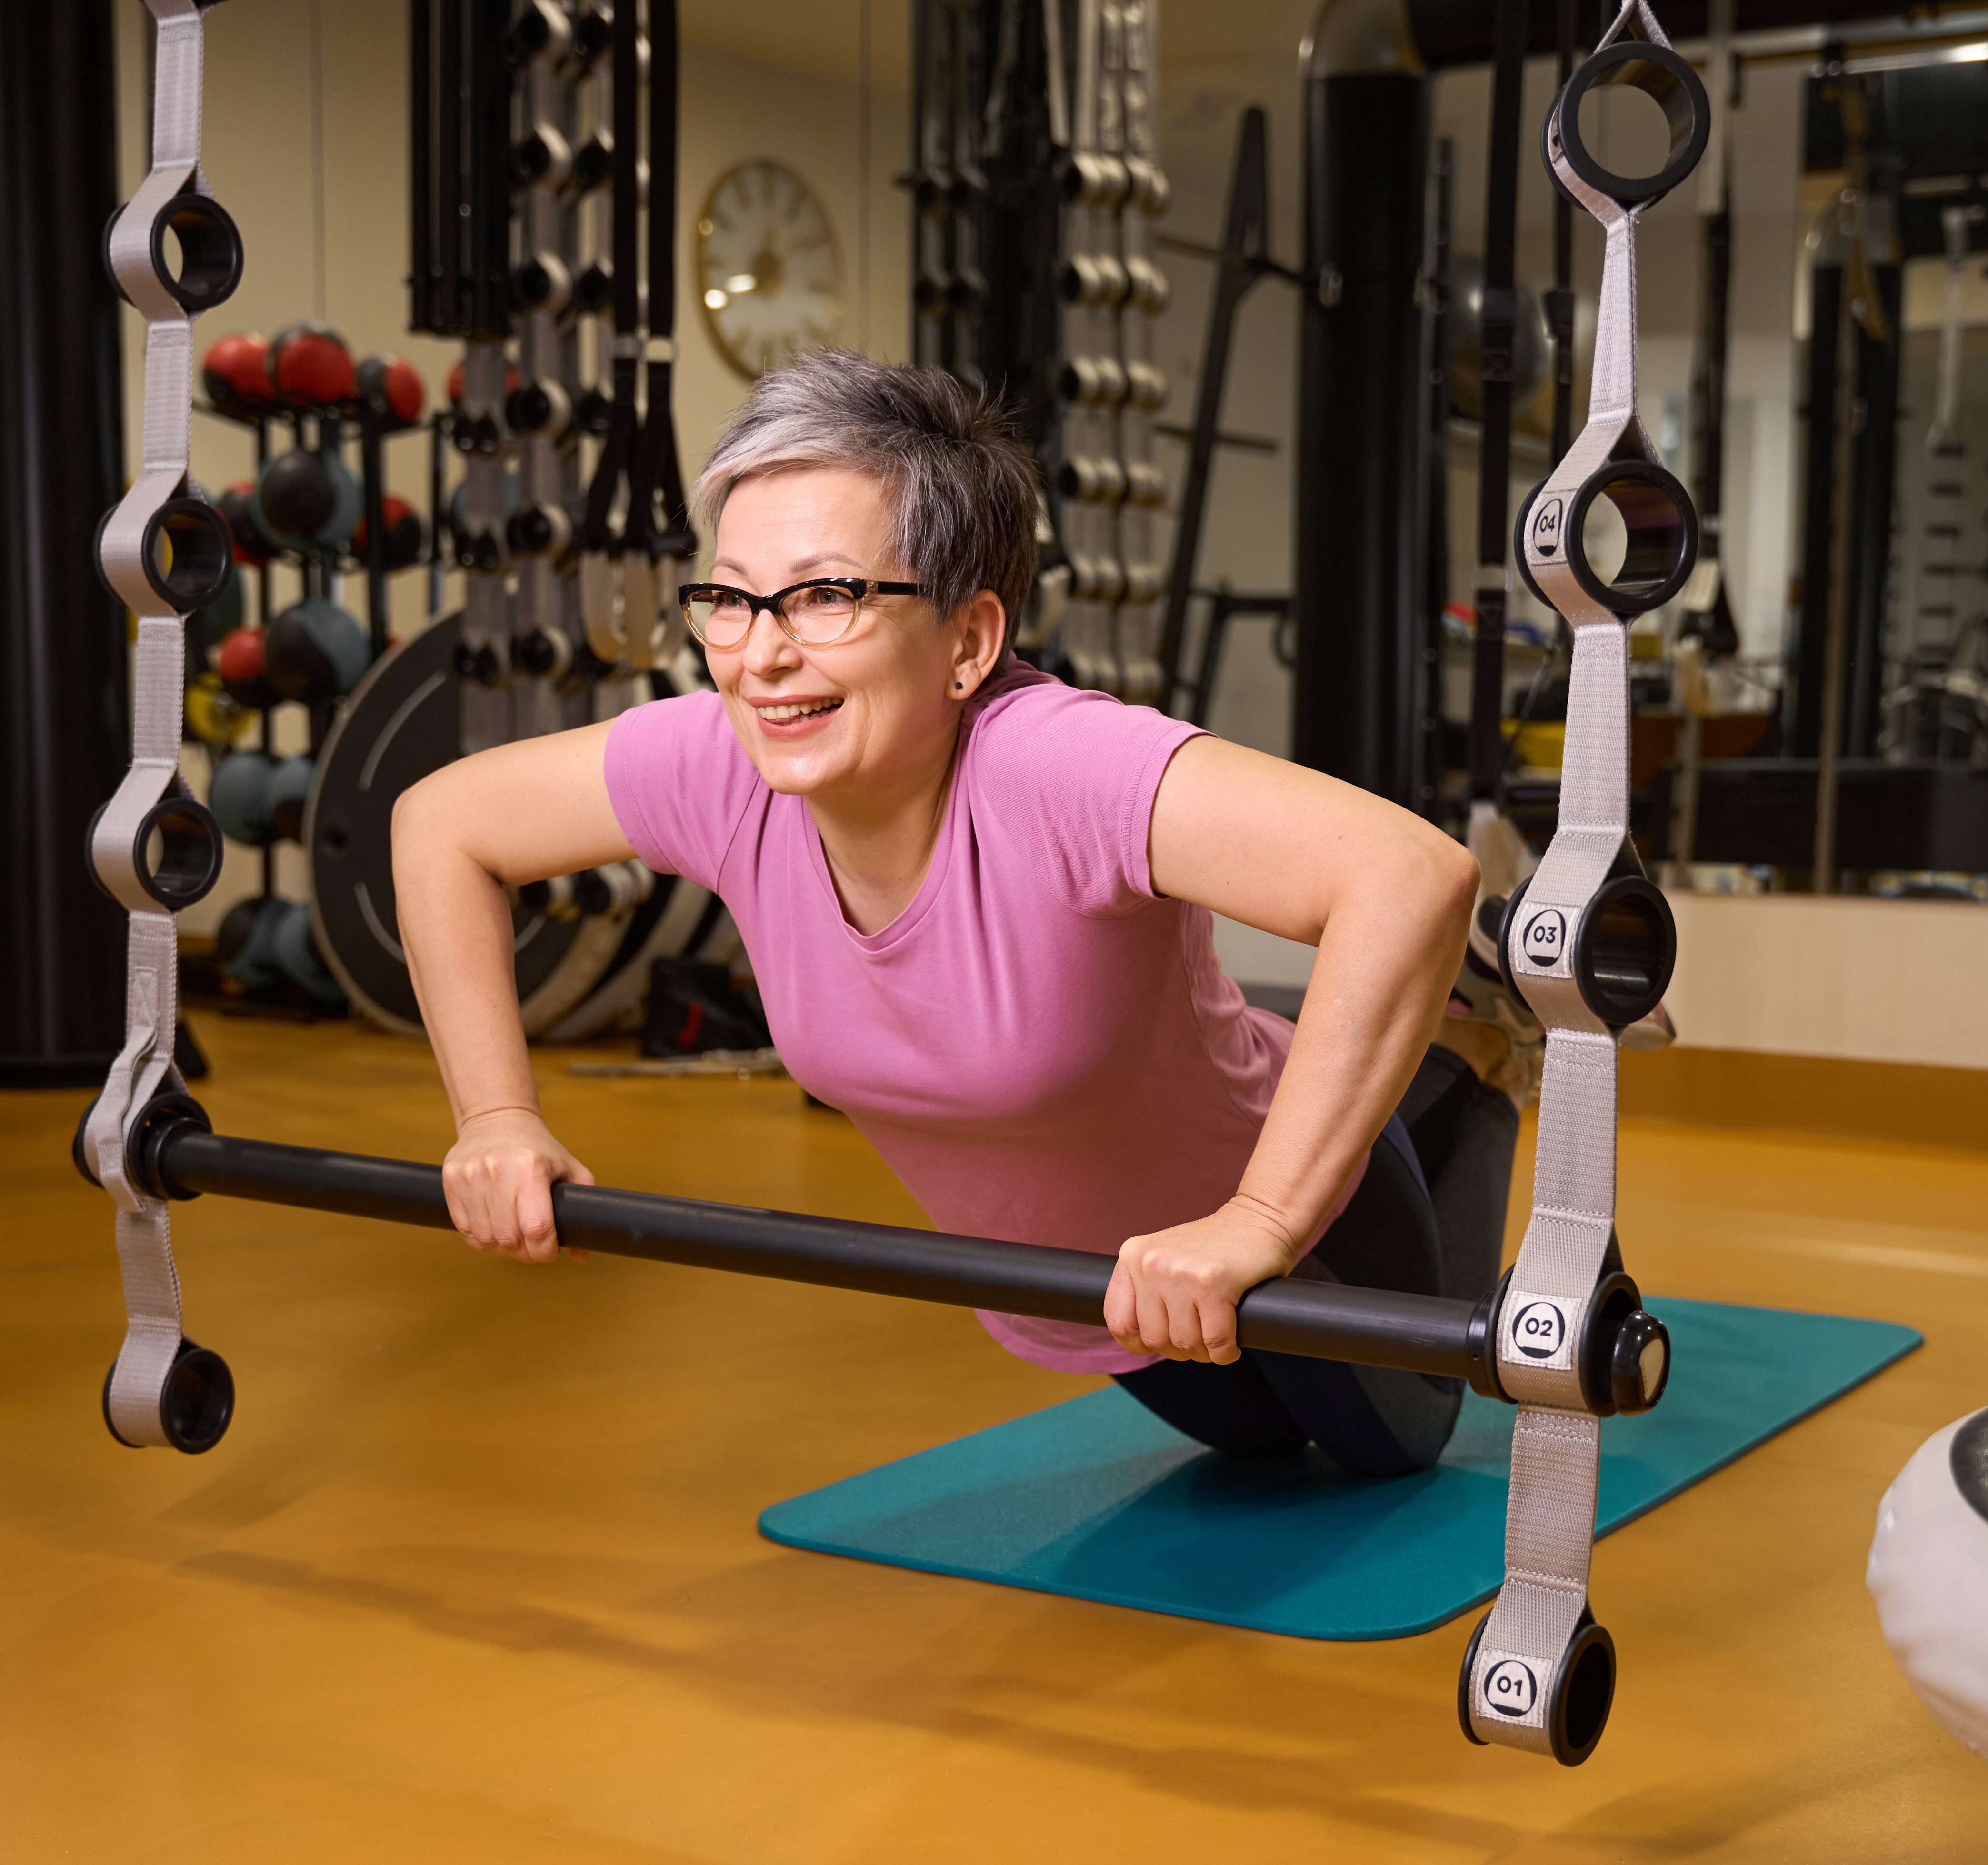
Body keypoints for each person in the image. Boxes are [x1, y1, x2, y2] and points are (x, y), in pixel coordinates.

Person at [391, 351, 1530, 1477]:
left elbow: (1408, 873)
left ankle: (1474, 1063)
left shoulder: (1056, 766)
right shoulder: (721, 763)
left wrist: (1264, 1217)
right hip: (1087, 1295)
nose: (763, 654)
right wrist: (494, 1117)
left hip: (1288, 1216)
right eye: (730, 600)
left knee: (1394, 1446)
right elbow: (442, 823)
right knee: (1261, 1450)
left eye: (828, 595)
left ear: (970, 642)